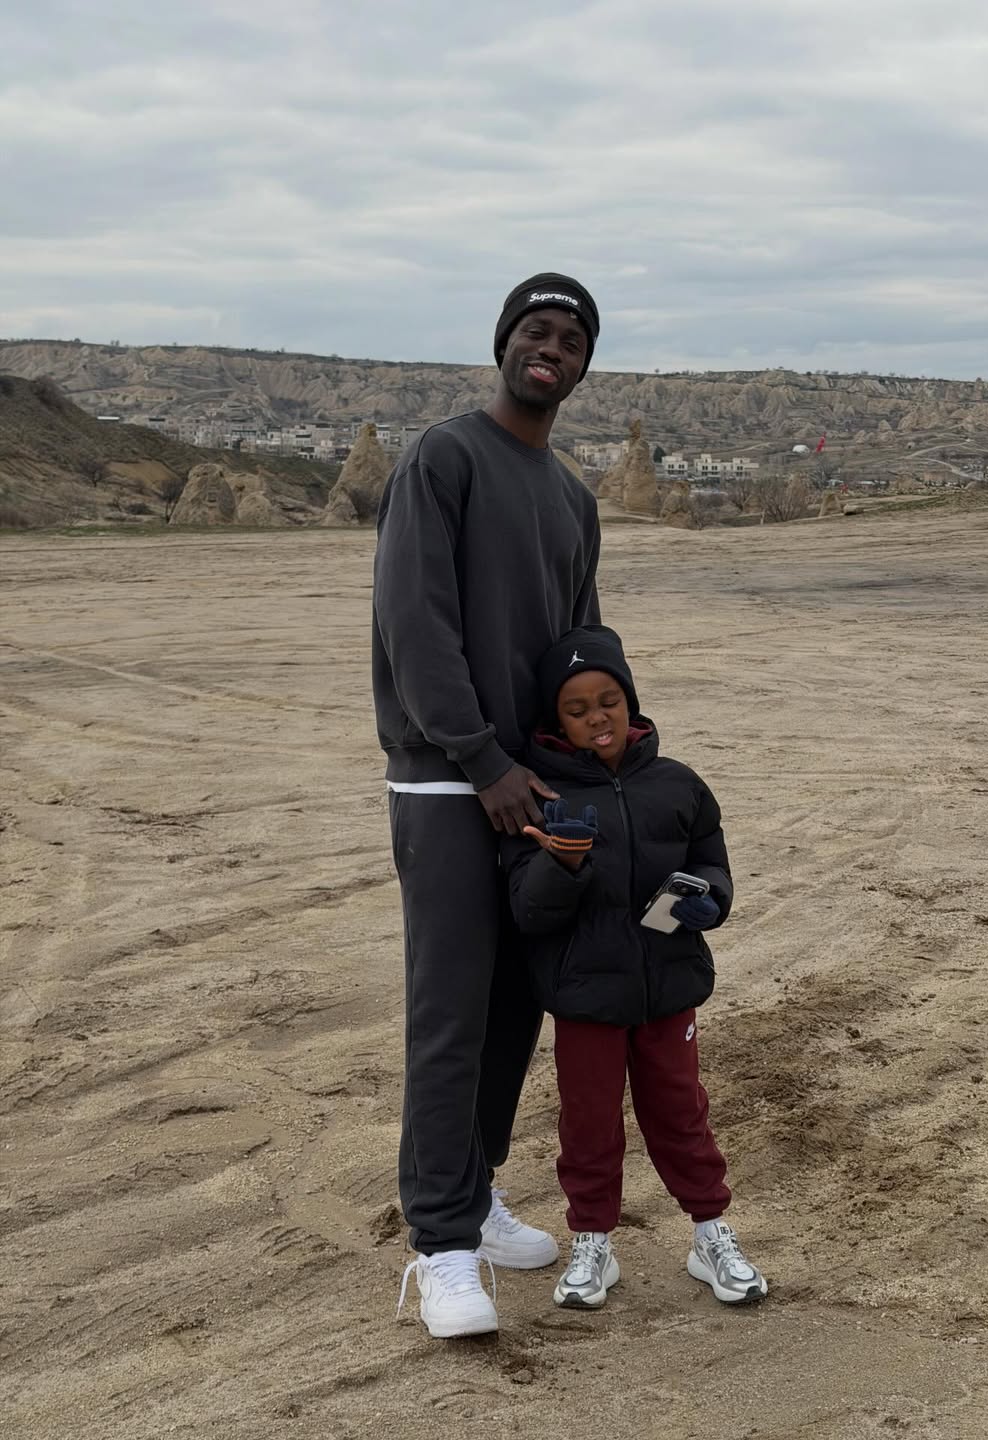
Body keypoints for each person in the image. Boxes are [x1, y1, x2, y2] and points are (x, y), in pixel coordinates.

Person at [373, 273, 603, 1338]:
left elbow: (579, 646)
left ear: (584, 365)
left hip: (533, 783)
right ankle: (440, 1246)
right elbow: (414, 622)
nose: (549, 348)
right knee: (453, 1011)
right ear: (503, 343)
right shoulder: (444, 457)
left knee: (517, 1004)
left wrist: (597, 753)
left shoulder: (572, 497)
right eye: (534, 331)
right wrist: (479, 758)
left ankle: (476, 1191)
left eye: (570, 339)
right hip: (446, 777)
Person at [500, 625, 768, 1310]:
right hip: (586, 996)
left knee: (682, 1112)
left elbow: (710, 860)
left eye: (609, 701)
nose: (597, 717)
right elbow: (529, 911)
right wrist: (563, 863)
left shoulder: (678, 783)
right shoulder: (539, 795)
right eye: (577, 709)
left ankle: (710, 1235)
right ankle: (593, 1241)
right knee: (589, 1122)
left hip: (669, 986)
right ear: (556, 719)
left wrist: (712, 900)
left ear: (631, 701)